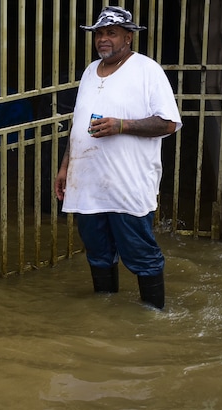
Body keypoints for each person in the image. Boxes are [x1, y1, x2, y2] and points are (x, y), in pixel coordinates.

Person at [54, 6, 182, 309]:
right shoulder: (89, 71)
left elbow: (168, 123)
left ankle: (153, 316)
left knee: (140, 253)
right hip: (87, 183)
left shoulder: (147, 70)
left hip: (127, 183)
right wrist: (64, 168)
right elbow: (79, 125)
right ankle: (105, 312)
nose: (103, 39)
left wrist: (121, 125)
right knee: (97, 251)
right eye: (99, 33)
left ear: (129, 37)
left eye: (111, 32)